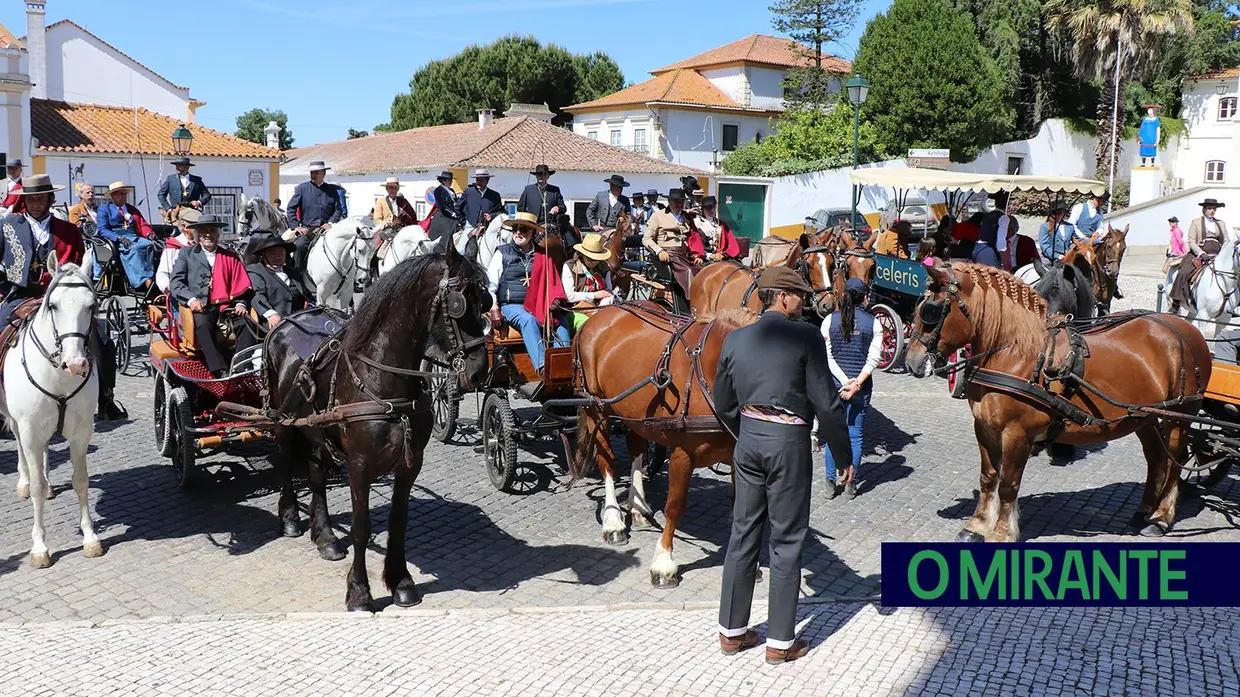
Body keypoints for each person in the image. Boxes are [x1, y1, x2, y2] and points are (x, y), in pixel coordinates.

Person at [713, 266, 853, 665]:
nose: (803, 304)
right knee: (788, 540)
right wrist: (842, 457)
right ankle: (780, 642)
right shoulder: (805, 336)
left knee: (742, 533)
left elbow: (723, 404)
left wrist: (747, 434)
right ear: (785, 297)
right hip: (788, 441)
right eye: (800, 298)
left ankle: (731, 633)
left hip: (749, 439)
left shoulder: (736, 339)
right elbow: (826, 403)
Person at [0, 174, 125, 419]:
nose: (36, 204)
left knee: (103, 340)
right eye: (32, 199)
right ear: (25, 201)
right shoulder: (8, 229)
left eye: (41, 198)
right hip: (22, 297)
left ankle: (106, 398)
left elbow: (79, 266)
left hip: (64, 298)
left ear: (50, 199)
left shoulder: (68, 231)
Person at [169, 214, 256, 377]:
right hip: (201, 306)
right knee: (203, 326)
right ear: (197, 235)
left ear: (218, 234)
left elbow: (242, 283)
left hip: (226, 306)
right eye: (203, 231)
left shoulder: (230, 256)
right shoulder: (186, 254)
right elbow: (176, 282)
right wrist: (191, 300)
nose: (208, 234)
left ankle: (241, 366)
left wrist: (241, 303)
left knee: (246, 322)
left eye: (212, 231)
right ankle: (220, 370)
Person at [821, 277, 884, 499]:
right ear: (865, 298)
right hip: (861, 388)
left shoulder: (829, 320)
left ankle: (830, 481)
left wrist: (844, 380)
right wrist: (857, 383)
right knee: (855, 435)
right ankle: (851, 484)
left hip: (835, 387)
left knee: (831, 434)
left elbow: (827, 356)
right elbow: (874, 359)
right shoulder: (874, 323)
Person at [486, 212, 571, 375]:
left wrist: (555, 301)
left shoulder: (543, 255)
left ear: (532, 233)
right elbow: (490, 286)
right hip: (511, 306)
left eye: (523, 229)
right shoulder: (502, 253)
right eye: (515, 229)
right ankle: (543, 368)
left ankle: (562, 367)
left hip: (539, 304)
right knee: (528, 321)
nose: (518, 233)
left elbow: (553, 283)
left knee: (561, 321)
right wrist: (494, 307)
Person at [1170, 198, 1230, 313]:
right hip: (1199, 253)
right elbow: (1191, 241)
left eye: (1214, 209)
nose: (1211, 211)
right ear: (1204, 210)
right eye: (1209, 209)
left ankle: (1233, 303)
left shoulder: (1221, 223)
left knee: (1234, 272)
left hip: (1217, 254)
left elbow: (1226, 240)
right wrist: (1201, 253)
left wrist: (1222, 253)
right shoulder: (1196, 222)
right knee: (1184, 272)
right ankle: (1176, 303)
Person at [643, 188, 698, 313]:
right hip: (668, 254)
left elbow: (694, 238)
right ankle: (690, 308)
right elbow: (646, 239)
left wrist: (698, 254)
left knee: (705, 269)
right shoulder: (657, 216)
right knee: (689, 271)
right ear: (669, 201)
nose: (679, 204)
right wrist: (659, 251)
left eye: (681, 201)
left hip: (686, 254)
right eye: (675, 201)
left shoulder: (687, 216)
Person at [285, 160, 344, 275]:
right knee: (300, 246)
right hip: (308, 230)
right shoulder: (302, 188)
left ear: (323, 174)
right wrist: (296, 226)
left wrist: (331, 222)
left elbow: (337, 210)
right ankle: (297, 277)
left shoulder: (332, 190)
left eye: (316, 172)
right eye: (312, 172)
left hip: (327, 229)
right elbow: (291, 208)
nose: (313, 175)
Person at [96, 181, 157, 290]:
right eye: (121, 194)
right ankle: (142, 281)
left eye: (125, 194)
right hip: (117, 239)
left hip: (134, 236)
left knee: (148, 245)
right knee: (135, 249)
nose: (124, 196)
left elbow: (142, 224)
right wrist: (118, 238)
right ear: (113, 196)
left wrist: (149, 234)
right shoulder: (104, 209)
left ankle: (151, 276)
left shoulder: (131, 209)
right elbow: (103, 230)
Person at [246, 233, 308, 334]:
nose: (278, 257)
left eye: (281, 253)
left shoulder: (294, 272)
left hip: (301, 322)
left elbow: (307, 295)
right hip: (274, 325)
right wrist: (271, 315)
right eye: (272, 253)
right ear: (264, 255)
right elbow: (257, 296)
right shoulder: (255, 270)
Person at [562, 233, 614, 331]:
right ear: (582, 254)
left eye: (597, 260)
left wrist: (599, 311)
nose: (593, 263)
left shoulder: (604, 267)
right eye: (590, 259)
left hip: (602, 309)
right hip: (575, 310)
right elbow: (569, 296)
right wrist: (595, 295)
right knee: (590, 327)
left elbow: (609, 292)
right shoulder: (569, 266)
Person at [156, 207, 200, 293]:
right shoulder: (173, 246)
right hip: (181, 293)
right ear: (185, 227)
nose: (200, 229)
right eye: (196, 225)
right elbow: (162, 275)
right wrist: (172, 289)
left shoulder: (204, 245)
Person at [689, 195, 741, 263]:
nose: (712, 210)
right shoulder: (696, 224)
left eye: (713, 207)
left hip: (720, 257)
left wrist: (723, 255)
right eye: (708, 208)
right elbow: (694, 244)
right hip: (704, 257)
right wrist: (708, 255)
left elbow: (731, 243)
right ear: (702, 209)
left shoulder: (721, 224)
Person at [972, 192, 1018, 269]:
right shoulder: (1003, 218)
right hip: (988, 251)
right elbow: (1000, 240)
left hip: (978, 249)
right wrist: (1003, 259)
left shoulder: (987, 215)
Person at [156, 156, 210, 220]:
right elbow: (160, 194)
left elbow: (207, 195)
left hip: (193, 211)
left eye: (179, 165)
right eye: (176, 165)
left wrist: (199, 202)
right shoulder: (170, 179)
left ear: (187, 167)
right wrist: (168, 208)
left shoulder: (197, 180)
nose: (176, 168)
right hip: (175, 211)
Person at [426, 171, 463, 244]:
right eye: (449, 180)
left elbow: (455, 202)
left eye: (451, 180)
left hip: (453, 213)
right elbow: (442, 205)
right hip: (443, 215)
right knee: (449, 230)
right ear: (443, 180)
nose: (451, 182)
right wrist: (452, 213)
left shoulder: (451, 190)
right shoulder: (438, 190)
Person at [1037, 200, 1076, 264]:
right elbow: (1044, 245)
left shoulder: (1070, 226)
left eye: (1062, 212)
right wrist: (1057, 256)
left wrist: (1095, 240)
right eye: (1058, 213)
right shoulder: (1045, 226)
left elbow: (1077, 239)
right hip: (1050, 258)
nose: (1060, 215)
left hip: (1067, 256)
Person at [1163, 216, 1187, 308]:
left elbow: (1180, 242)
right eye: (1170, 222)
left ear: (1176, 223)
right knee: (1167, 272)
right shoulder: (1173, 231)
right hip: (1172, 254)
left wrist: (1184, 252)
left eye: (1172, 222)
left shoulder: (1176, 231)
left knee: (1171, 275)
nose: (1171, 223)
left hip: (1176, 255)